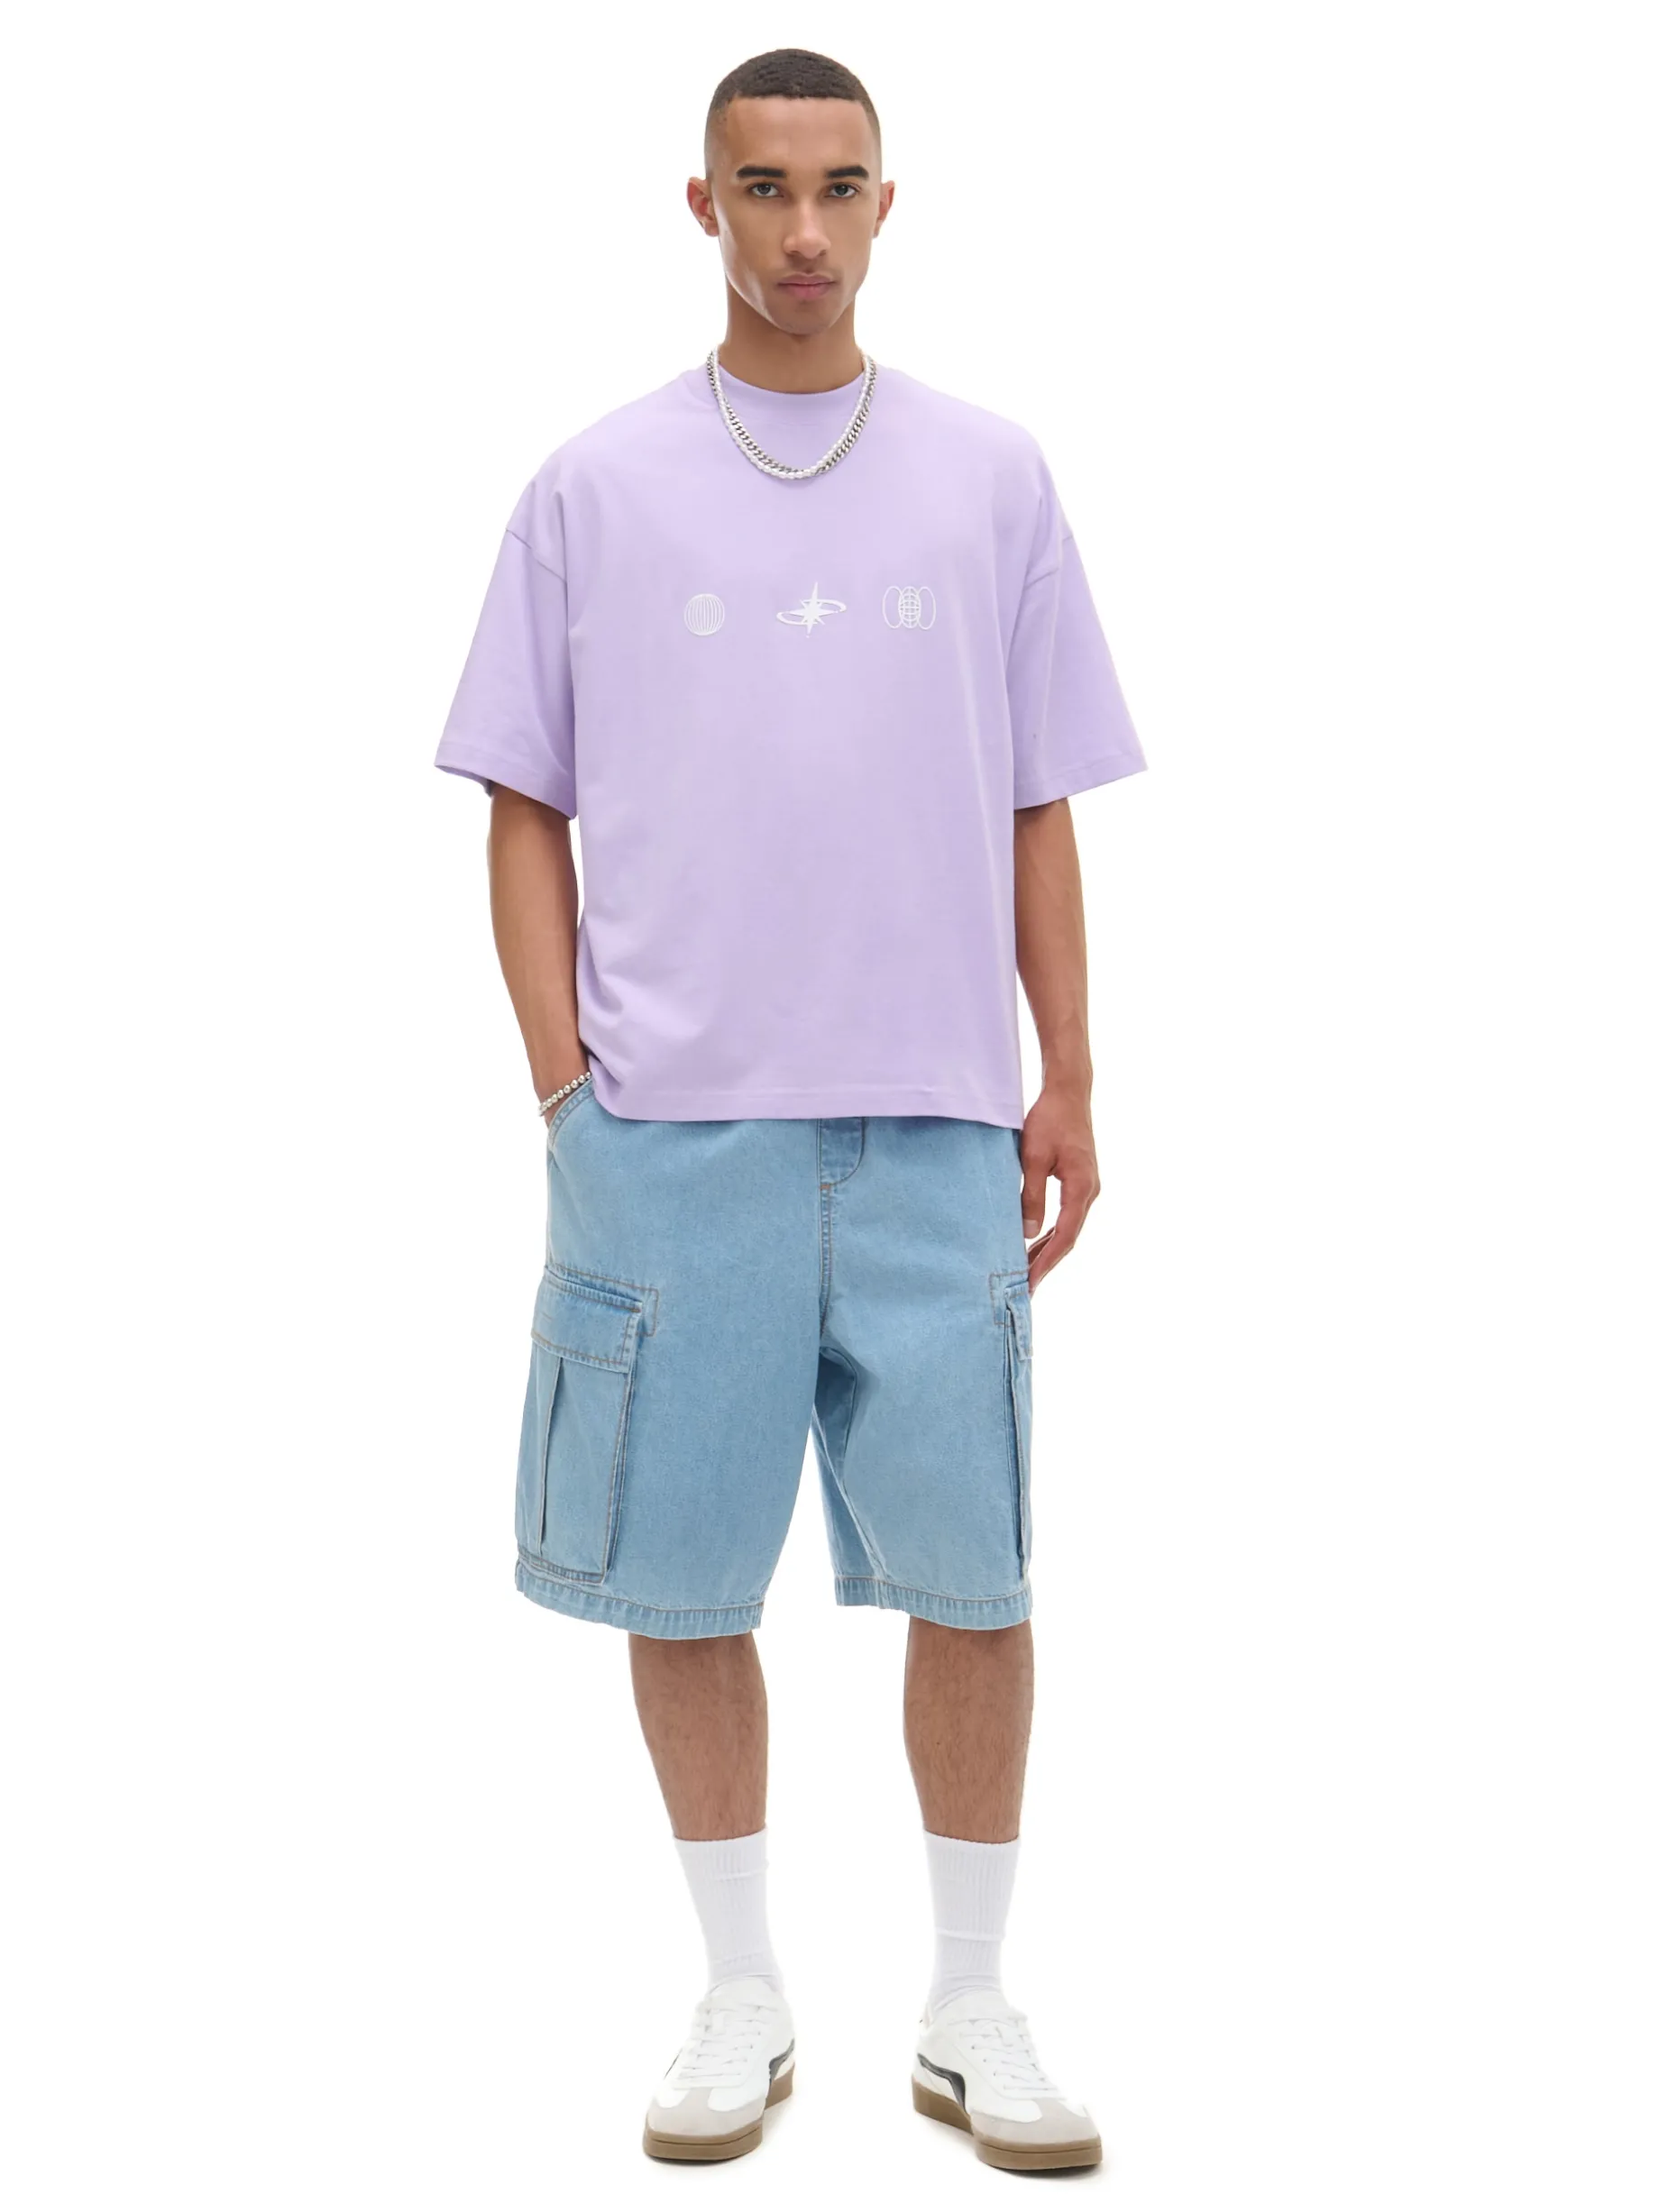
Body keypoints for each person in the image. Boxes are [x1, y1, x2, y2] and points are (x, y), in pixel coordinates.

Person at [434, 46, 1146, 2174]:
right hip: (673, 1135)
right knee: (679, 1585)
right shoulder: (591, 487)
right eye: (763, 187)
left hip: (933, 1122)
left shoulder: (990, 477)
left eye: (837, 186)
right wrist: (563, 1086)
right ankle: (736, 1991)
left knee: (975, 1575)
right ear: (704, 206)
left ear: (885, 204)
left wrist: (1067, 1074)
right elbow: (521, 801)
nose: (803, 229)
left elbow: (1037, 798)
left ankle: (967, 2003)